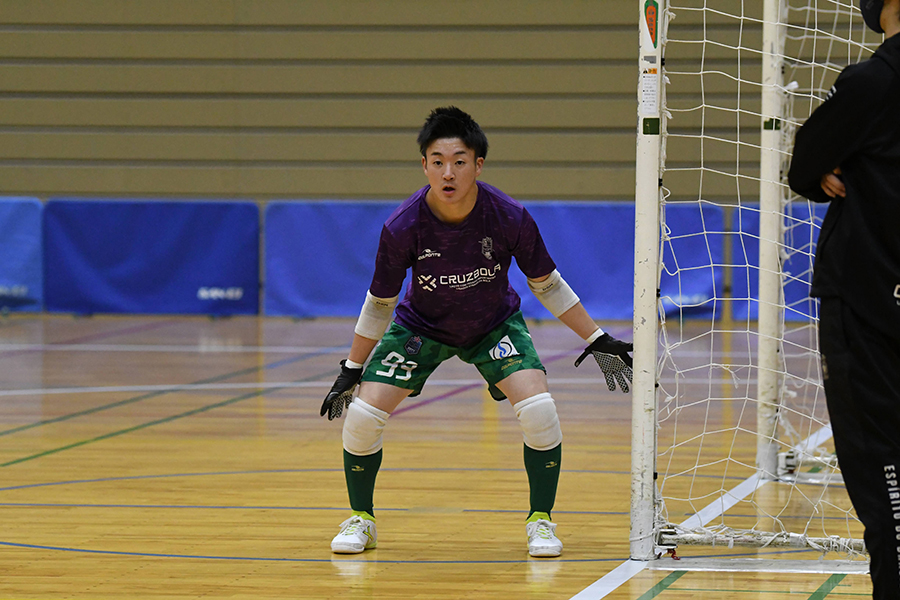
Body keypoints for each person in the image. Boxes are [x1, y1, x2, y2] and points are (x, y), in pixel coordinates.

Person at [319, 107, 633, 558]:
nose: (448, 173)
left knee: (540, 410)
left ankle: (540, 520)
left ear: (478, 165)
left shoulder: (508, 216)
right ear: (424, 165)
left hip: (493, 326)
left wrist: (596, 338)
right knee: (363, 417)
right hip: (420, 327)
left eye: (459, 161)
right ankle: (361, 519)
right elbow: (380, 303)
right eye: (438, 161)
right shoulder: (402, 226)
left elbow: (546, 284)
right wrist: (352, 367)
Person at [787, 1, 900, 597]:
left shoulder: (871, 82)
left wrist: (835, 162)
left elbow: (804, 163)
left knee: (879, 462)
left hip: (867, 300)